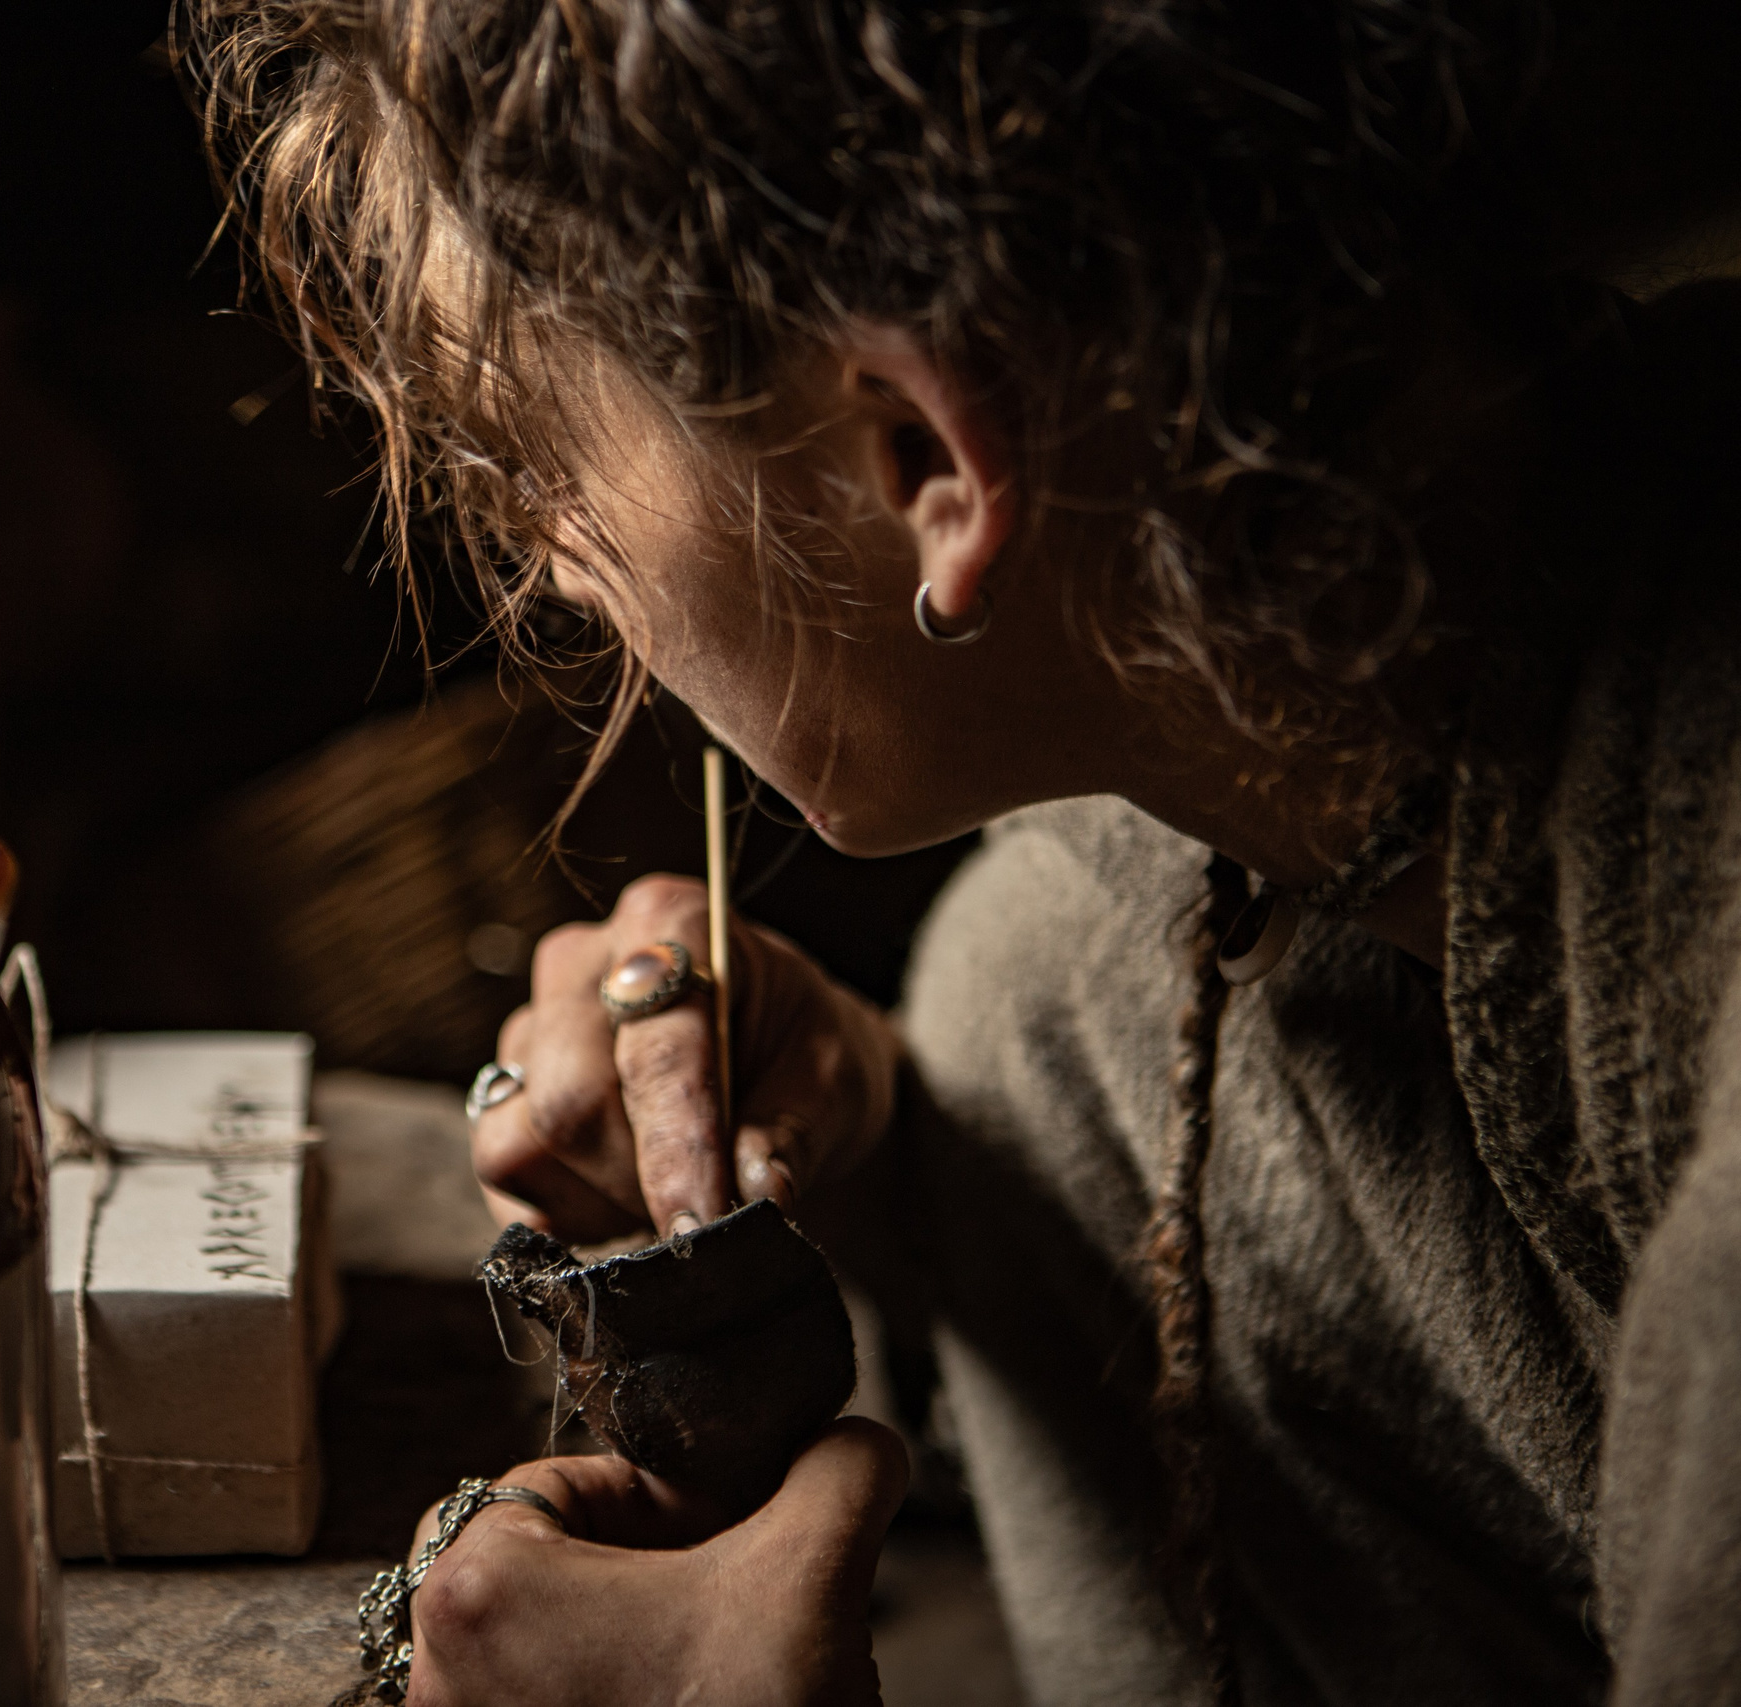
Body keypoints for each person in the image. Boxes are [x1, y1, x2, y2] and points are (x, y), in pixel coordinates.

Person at [180, 3, 1741, 1702]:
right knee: (1031, 994)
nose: (558, 572)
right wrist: (889, 1163)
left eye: (552, 461)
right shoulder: (1145, 941)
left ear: (924, 456)